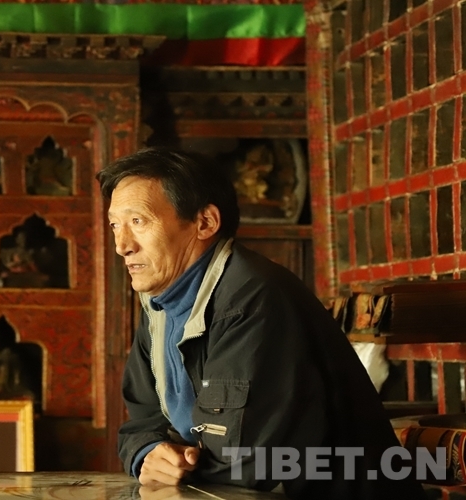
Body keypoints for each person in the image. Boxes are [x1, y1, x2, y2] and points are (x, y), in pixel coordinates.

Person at [96, 148, 426, 499]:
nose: (122, 245)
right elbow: (140, 421)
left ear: (205, 222)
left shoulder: (251, 298)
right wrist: (148, 453)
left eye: (138, 221)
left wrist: (176, 463)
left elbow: (246, 461)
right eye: (115, 225)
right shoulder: (161, 305)